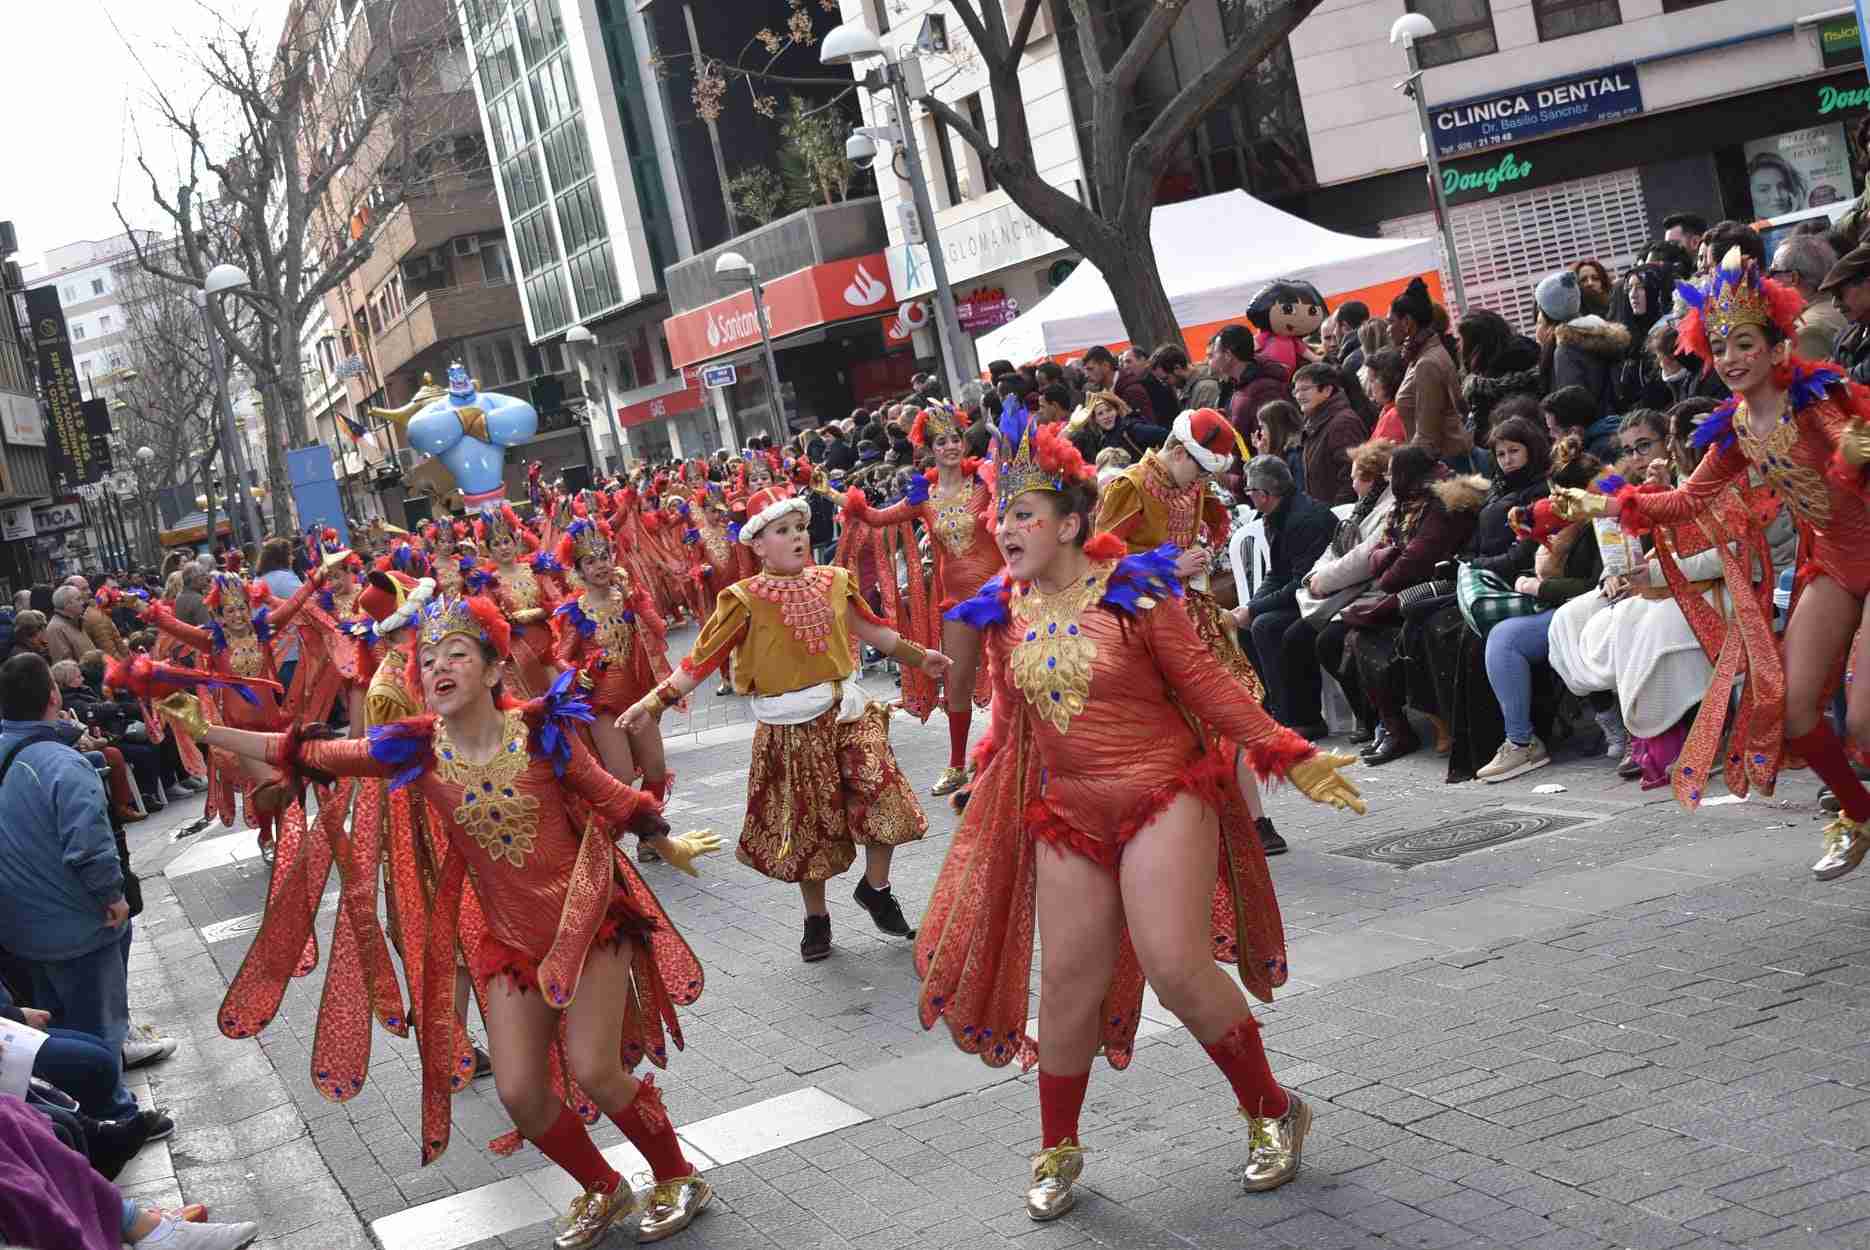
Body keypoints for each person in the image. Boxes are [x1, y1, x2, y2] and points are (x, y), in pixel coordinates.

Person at [917, 400, 1363, 1221]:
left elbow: (1206, 688)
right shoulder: (1003, 611)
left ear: (1072, 522)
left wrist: (1289, 755)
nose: (1004, 527)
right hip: (1067, 812)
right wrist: (984, 774)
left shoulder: (1134, 593)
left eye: (1023, 514)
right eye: (1000, 514)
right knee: (1068, 984)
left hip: (1162, 794)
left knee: (1175, 964)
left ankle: (1272, 1110)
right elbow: (1012, 720)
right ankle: (1057, 1144)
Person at [164, 595, 720, 1247]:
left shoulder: (540, 733)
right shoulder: (418, 753)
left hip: (589, 923)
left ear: (491, 670)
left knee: (594, 1068)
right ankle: (604, 1187)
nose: (439, 667)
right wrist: (211, 732)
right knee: (518, 1091)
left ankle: (677, 1174)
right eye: (427, 660)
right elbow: (308, 751)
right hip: (511, 942)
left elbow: (607, 792)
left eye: (456, 653)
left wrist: (664, 835)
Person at [1554, 247, 1870, 881]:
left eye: (1744, 343)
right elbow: (1685, 501)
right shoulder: (1733, 431)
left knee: (1863, 718)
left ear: (1778, 348)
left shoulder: (1813, 399)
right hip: (1834, 565)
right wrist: (1603, 502)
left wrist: (1856, 448)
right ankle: (1858, 816)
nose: (1729, 359)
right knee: (1798, 708)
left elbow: (1843, 436)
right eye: (1719, 347)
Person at [620, 484, 945, 960]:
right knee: (807, 828)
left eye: (799, 528)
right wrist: (651, 703)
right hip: (789, 728)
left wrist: (921, 657)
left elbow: (871, 630)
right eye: (782, 530)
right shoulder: (742, 599)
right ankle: (817, 918)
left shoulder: (835, 581)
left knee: (886, 800)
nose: (796, 537)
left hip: (848, 714)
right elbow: (700, 661)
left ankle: (876, 889)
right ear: (756, 543)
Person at [0, 653, 160, 1143]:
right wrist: (113, 897)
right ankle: (117, 1116)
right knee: (97, 1025)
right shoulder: (61, 764)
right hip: (73, 924)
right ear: (53, 696)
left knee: (53, 1024)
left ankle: (77, 1109)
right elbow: (88, 846)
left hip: (18, 926)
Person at [838, 405, 997, 794]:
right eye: (941, 441)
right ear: (929, 449)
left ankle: (1017, 755)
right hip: (957, 600)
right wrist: (831, 492)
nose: (950, 447)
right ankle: (959, 764)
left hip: (1001, 594)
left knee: (1013, 675)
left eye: (955, 439)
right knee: (956, 680)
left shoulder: (984, 482)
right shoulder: (923, 497)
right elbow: (875, 518)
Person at [1473, 437, 1608, 782]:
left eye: (1561, 499)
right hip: (1560, 606)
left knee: (1505, 638)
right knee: (1491, 635)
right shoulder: (1558, 518)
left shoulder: (1602, 517)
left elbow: (1598, 583)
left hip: (1593, 607)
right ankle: (1521, 741)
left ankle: (1525, 742)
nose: (1554, 505)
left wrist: (1539, 586)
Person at [1340, 447, 1484, 764]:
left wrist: (1387, 564)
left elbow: (1416, 560)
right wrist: (1387, 561)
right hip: (1413, 587)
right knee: (1352, 635)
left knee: (1364, 633)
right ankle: (1390, 727)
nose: (1389, 480)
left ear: (1408, 474)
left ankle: (1407, 727)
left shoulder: (1444, 502)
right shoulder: (1408, 501)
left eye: (1392, 473)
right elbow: (1382, 552)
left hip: (1443, 586)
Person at [1284, 440, 1397, 740]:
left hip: (1368, 592)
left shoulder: (1389, 507)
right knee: (1292, 634)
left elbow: (1362, 559)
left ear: (1374, 477)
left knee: (1327, 640)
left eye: (1357, 476)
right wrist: (1313, 578)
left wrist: (1323, 581)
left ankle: (1371, 716)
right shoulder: (1363, 507)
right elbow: (1334, 550)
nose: (1351, 482)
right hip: (1341, 591)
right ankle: (1308, 715)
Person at [1238, 456, 1337, 734]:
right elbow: (1278, 573)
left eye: (1249, 491)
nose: (1248, 496)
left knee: (1267, 625)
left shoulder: (1304, 519)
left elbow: (1301, 582)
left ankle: (1301, 719)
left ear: (1264, 495)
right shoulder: (1277, 515)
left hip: (1324, 594)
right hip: (1303, 591)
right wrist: (1251, 605)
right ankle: (1272, 709)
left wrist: (1255, 610)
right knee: (1246, 625)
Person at [1388, 278, 1471, 468]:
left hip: (1445, 464)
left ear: (1407, 322)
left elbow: (1427, 435)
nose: (1388, 329)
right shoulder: (1421, 355)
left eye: (1390, 321)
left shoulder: (1427, 363)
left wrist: (1405, 468)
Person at [1534, 270, 1630, 420]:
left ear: (1547, 312)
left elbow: (1572, 408)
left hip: (1593, 433)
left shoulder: (1566, 350)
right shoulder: (1602, 333)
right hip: (1618, 421)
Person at [1456, 309, 1541, 445]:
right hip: (1539, 440)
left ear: (1474, 345)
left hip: (1504, 451)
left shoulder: (1482, 385)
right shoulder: (1531, 353)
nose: (1458, 345)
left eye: (1461, 340)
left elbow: (1483, 434)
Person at [1291, 362, 1369, 506]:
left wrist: (1335, 515)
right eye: (1296, 391)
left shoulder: (1343, 423)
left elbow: (1351, 477)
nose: (1299, 396)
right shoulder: (1314, 420)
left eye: (1305, 389)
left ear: (1327, 390)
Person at [1208, 323, 1290, 445]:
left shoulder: (1265, 389)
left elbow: (1273, 440)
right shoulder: (1237, 384)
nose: (1211, 359)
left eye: (1214, 353)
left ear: (1228, 355)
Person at [1772, 234, 1845, 364]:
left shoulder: (1806, 330)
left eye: (1773, 272)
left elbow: (1803, 382)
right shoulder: (1842, 307)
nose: (1769, 280)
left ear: (1793, 278)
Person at [253, 538, 304, 694]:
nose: (293, 558)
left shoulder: (258, 580)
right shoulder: (284, 578)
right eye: (290, 554)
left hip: (272, 657)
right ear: (281, 557)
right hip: (292, 654)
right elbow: (309, 605)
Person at [1081, 345, 1154, 423]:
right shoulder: (1098, 392)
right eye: (1086, 370)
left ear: (1106, 365)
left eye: (1090, 369)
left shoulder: (1133, 390)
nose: (1086, 375)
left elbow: (1148, 426)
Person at [1363, 348, 1407, 443]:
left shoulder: (1394, 417)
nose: (1368, 389)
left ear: (1387, 380)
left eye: (1372, 381)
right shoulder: (1390, 410)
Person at [46, 585, 90, 666]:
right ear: (67, 604)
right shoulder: (56, 629)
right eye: (78, 599)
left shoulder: (77, 620)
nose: (83, 603)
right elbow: (66, 665)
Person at [1145, 344, 1189, 419]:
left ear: (1177, 368)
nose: (1165, 384)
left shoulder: (1204, 389)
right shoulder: (1181, 389)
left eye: (1165, 379)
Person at [1336, 300, 1371, 373]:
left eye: (1335, 326)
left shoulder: (1350, 361)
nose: (1334, 332)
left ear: (1345, 326)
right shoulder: (1379, 348)